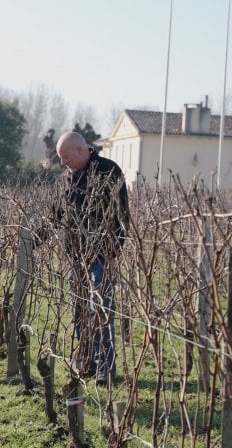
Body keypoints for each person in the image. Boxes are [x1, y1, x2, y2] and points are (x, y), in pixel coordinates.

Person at [54, 131, 129, 386]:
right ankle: (87, 361)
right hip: (76, 256)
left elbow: (122, 217)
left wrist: (110, 252)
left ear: (80, 150)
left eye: (65, 157)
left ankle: (105, 368)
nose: (63, 163)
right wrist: (32, 241)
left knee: (101, 312)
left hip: (101, 256)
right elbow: (55, 215)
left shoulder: (108, 171)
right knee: (78, 311)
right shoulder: (66, 178)